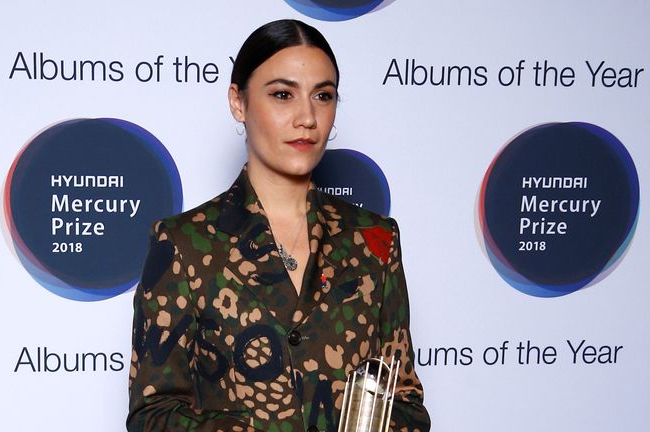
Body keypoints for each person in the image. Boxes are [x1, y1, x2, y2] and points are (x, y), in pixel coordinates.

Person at [127, 19, 430, 432]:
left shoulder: (374, 239)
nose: (307, 117)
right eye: (283, 95)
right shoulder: (185, 244)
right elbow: (153, 413)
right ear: (238, 101)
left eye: (323, 96)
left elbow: (406, 401)